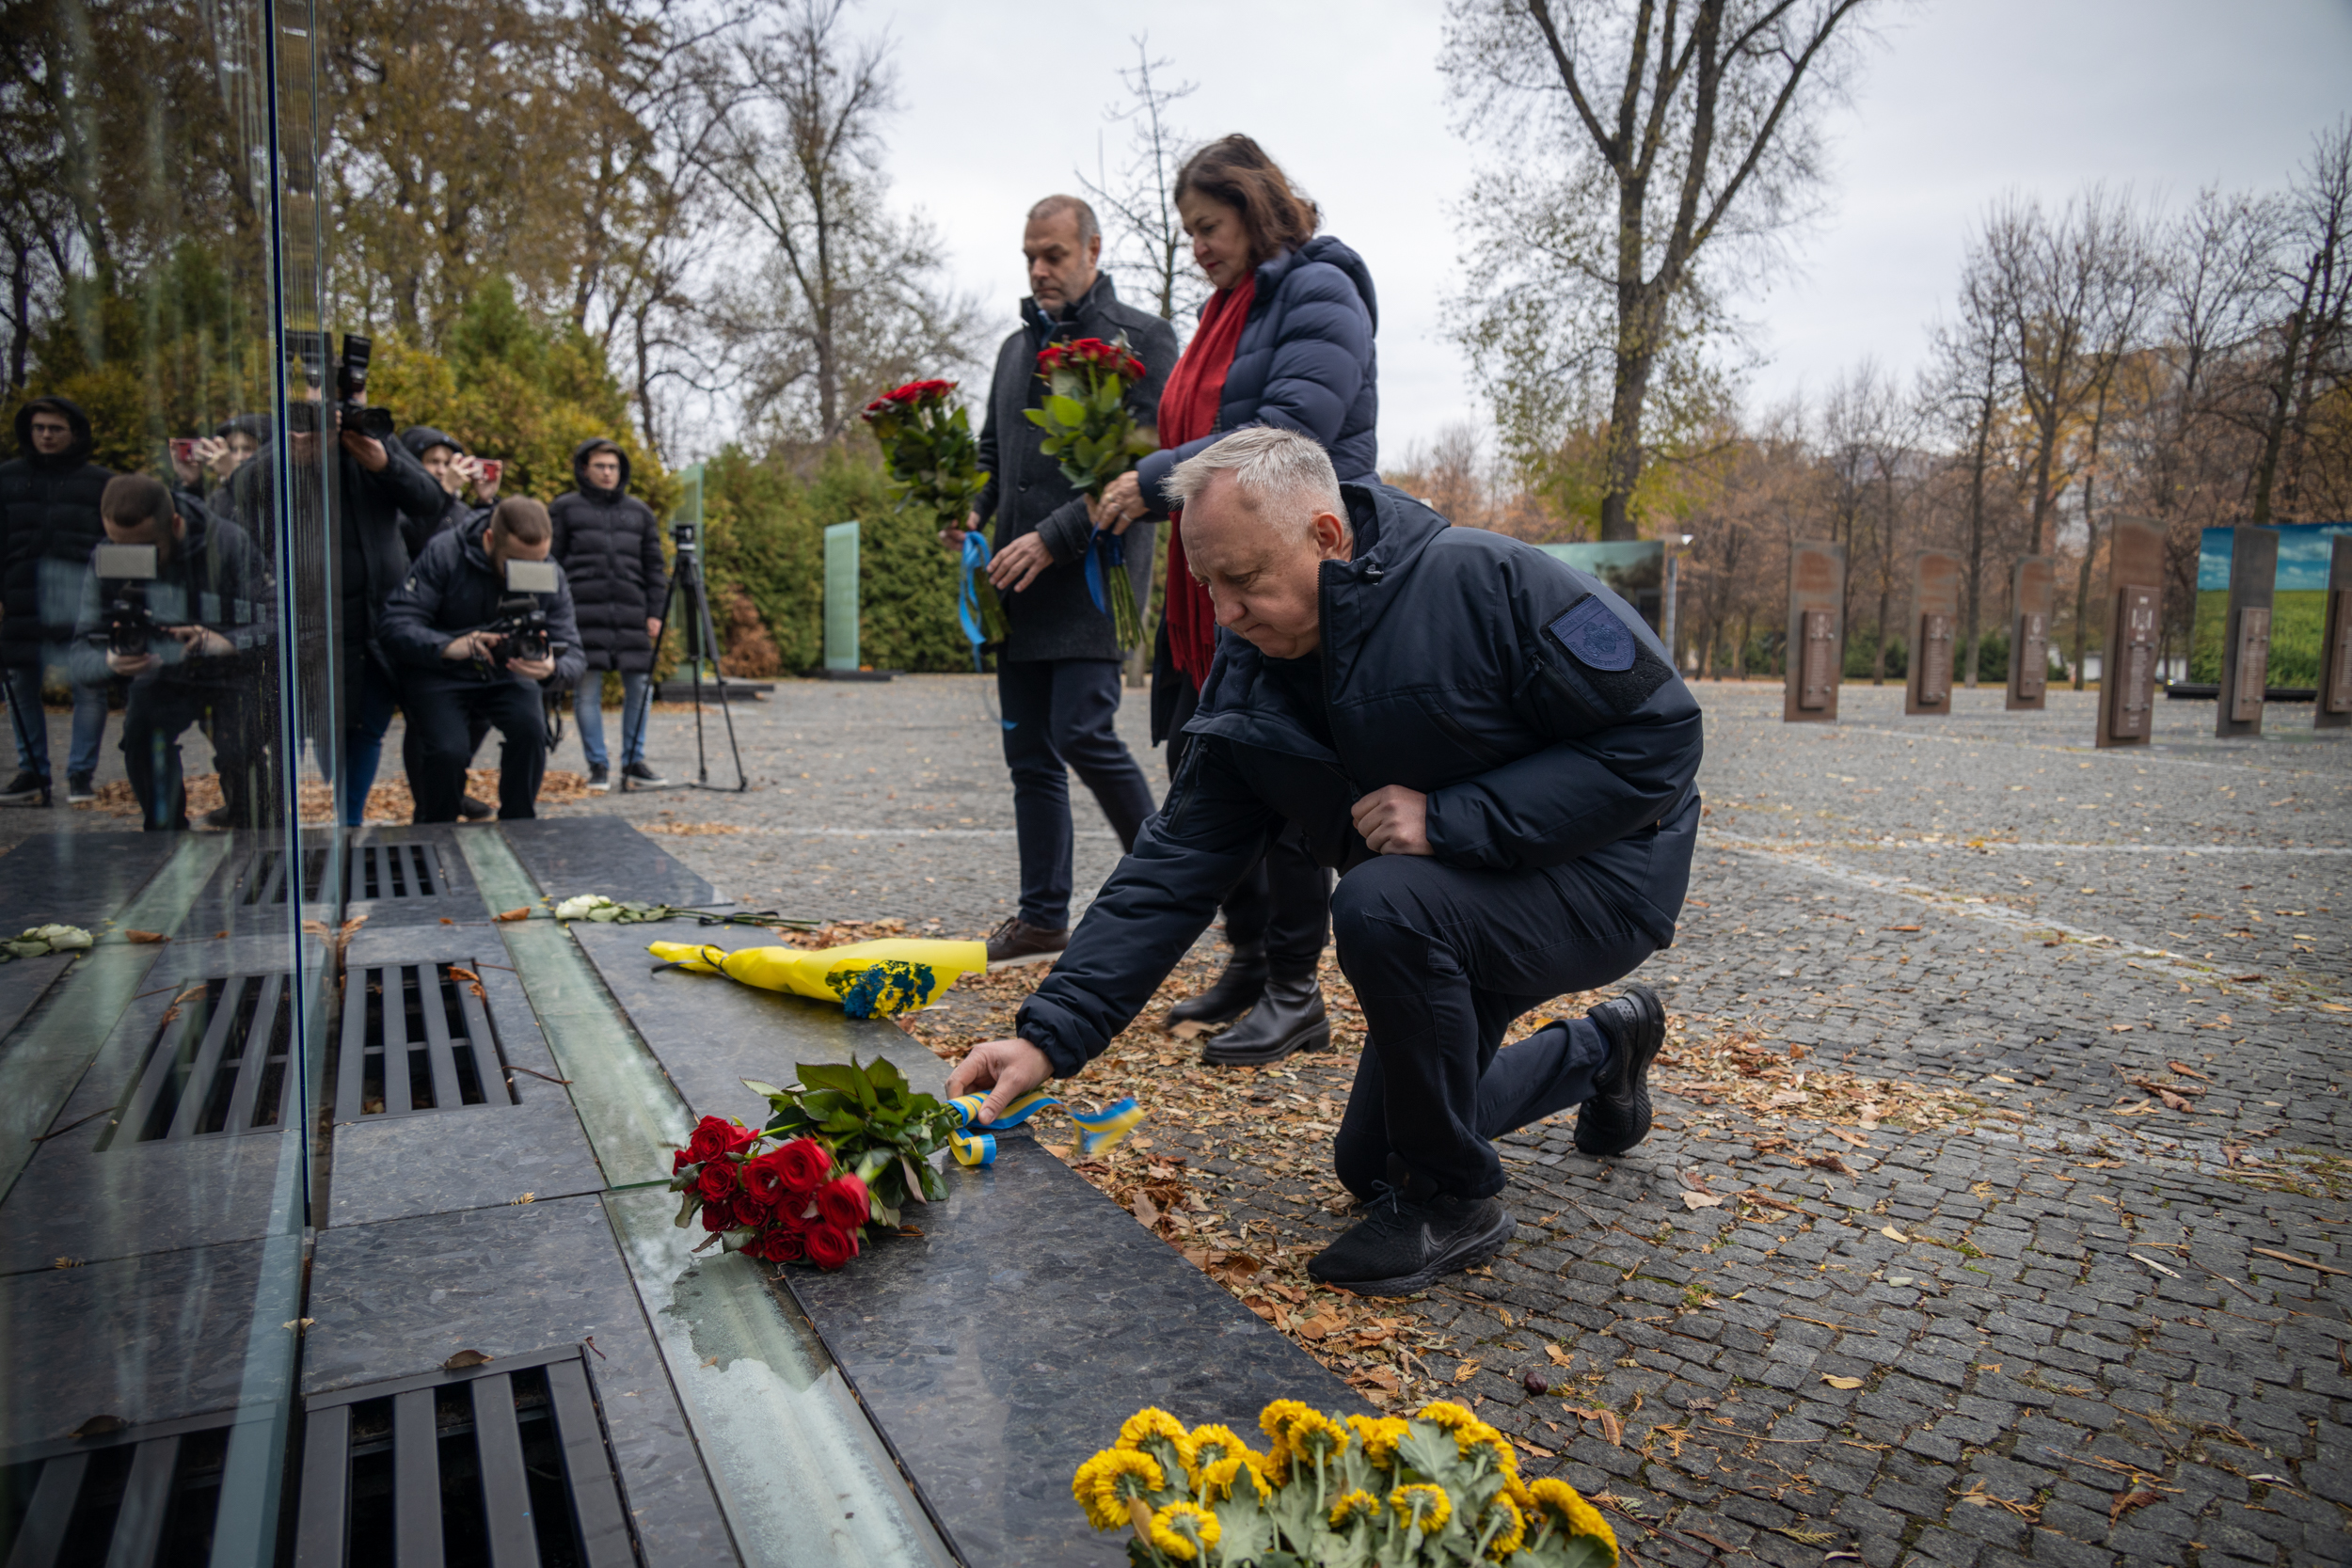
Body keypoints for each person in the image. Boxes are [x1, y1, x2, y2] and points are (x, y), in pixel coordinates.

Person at [948, 429, 1703, 1296]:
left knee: (1380, 907)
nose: (1224, 614)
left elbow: (1661, 735)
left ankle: (1455, 1199)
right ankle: (1606, 1046)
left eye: (1244, 581)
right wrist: (1046, 1037)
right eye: (1205, 585)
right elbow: (1177, 858)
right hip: (1452, 902)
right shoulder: (1253, 665)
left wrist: (1452, 819)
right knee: (1372, 1158)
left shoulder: (1485, 581)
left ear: (1327, 537)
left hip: (1603, 876)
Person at [1089, 135, 1379, 1067]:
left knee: (1284, 780)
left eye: (1207, 226)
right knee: (1203, 768)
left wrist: (1154, 476)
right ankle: (1252, 961)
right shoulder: (1225, 310)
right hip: (1202, 587)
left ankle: (1298, 991)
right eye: (1187, 232)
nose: (1198, 247)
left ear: (1254, 208)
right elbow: (1200, 425)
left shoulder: (1319, 291)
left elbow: (1290, 430)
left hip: (1286, 576)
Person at [945, 195, 1179, 966]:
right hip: (1014, 588)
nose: (1039, 270)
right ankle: (1043, 919)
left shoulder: (1141, 339)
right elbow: (989, 452)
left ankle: (1163, 902)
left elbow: (1141, 465)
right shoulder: (1015, 351)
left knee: (1082, 731)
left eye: (1052, 254)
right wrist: (973, 513)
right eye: (1029, 257)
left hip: (1089, 581)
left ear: (1092, 250)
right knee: (1029, 757)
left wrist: (1053, 537)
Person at [229, 392, 447, 825]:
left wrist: (384, 463)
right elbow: (240, 489)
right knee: (292, 728)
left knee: (366, 726)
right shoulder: (288, 439)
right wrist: (291, 453)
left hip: (372, 618)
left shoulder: (375, 439)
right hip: (303, 617)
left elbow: (430, 501)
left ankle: (349, 821)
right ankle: (281, 825)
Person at [69, 476, 274, 831]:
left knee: (243, 753)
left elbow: (279, 621)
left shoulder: (227, 543)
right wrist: (110, 662)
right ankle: (164, 833)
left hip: (228, 671)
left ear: (175, 524)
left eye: (147, 549)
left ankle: (252, 824)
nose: (133, 559)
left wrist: (228, 642)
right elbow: (81, 648)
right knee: (142, 739)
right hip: (158, 671)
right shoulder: (111, 555)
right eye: (120, 547)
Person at [380, 497, 583, 822]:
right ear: (490, 539)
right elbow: (395, 625)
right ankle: (436, 830)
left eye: (538, 562)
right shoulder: (445, 553)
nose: (529, 572)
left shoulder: (549, 571)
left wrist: (551, 669)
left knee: (531, 731)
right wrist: (450, 645)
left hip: (508, 672)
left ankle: (519, 824)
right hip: (442, 672)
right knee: (448, 751)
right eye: (517, 564)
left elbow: (574, 652)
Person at [1, 396, 114, 806]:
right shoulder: (7, 478)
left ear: (74, 433)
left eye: (55, 428)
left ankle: (80, 774)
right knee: (21, 683)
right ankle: (32, 771)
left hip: (81, 600)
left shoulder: (100, 481)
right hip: (21, 597)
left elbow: (112, 541)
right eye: (39, 428)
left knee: (89, 685)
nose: (46, 435)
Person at [549, 438, 665, 792]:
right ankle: (597, 765)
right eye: (600, 465)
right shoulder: (565, 509)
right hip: (581, 616)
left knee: (640, 688)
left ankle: (633, 761)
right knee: (586, 693)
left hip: (632, 615)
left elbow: (655, 568)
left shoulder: (640, 513)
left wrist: (656, 612)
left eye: (613, 467)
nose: (607, 472)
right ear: (585, 468)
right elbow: (550, 562)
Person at [396, 425, 499, 557]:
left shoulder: (460, 509)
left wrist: (484, 502)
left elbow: (481, 551)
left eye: (447, 463)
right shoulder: (394, 505)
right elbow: (411, 538)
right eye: (434, 462)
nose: (442, 471)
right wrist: (444, 491)